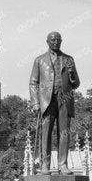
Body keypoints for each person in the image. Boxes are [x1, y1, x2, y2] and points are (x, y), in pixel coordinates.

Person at [28, 31, 81, 173]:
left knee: (64, 133)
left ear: (61, 41)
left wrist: (71, 73)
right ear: (47, 42)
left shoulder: (69, 59)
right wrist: (35, 103)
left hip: (65, 100)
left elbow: (76, 84)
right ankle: (45, 164)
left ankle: (62, 164)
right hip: (47, 100)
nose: (56, 42)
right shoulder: (39, 60)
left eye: (58, 40)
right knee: (46, 133)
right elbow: (33, 83)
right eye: (53, 40)